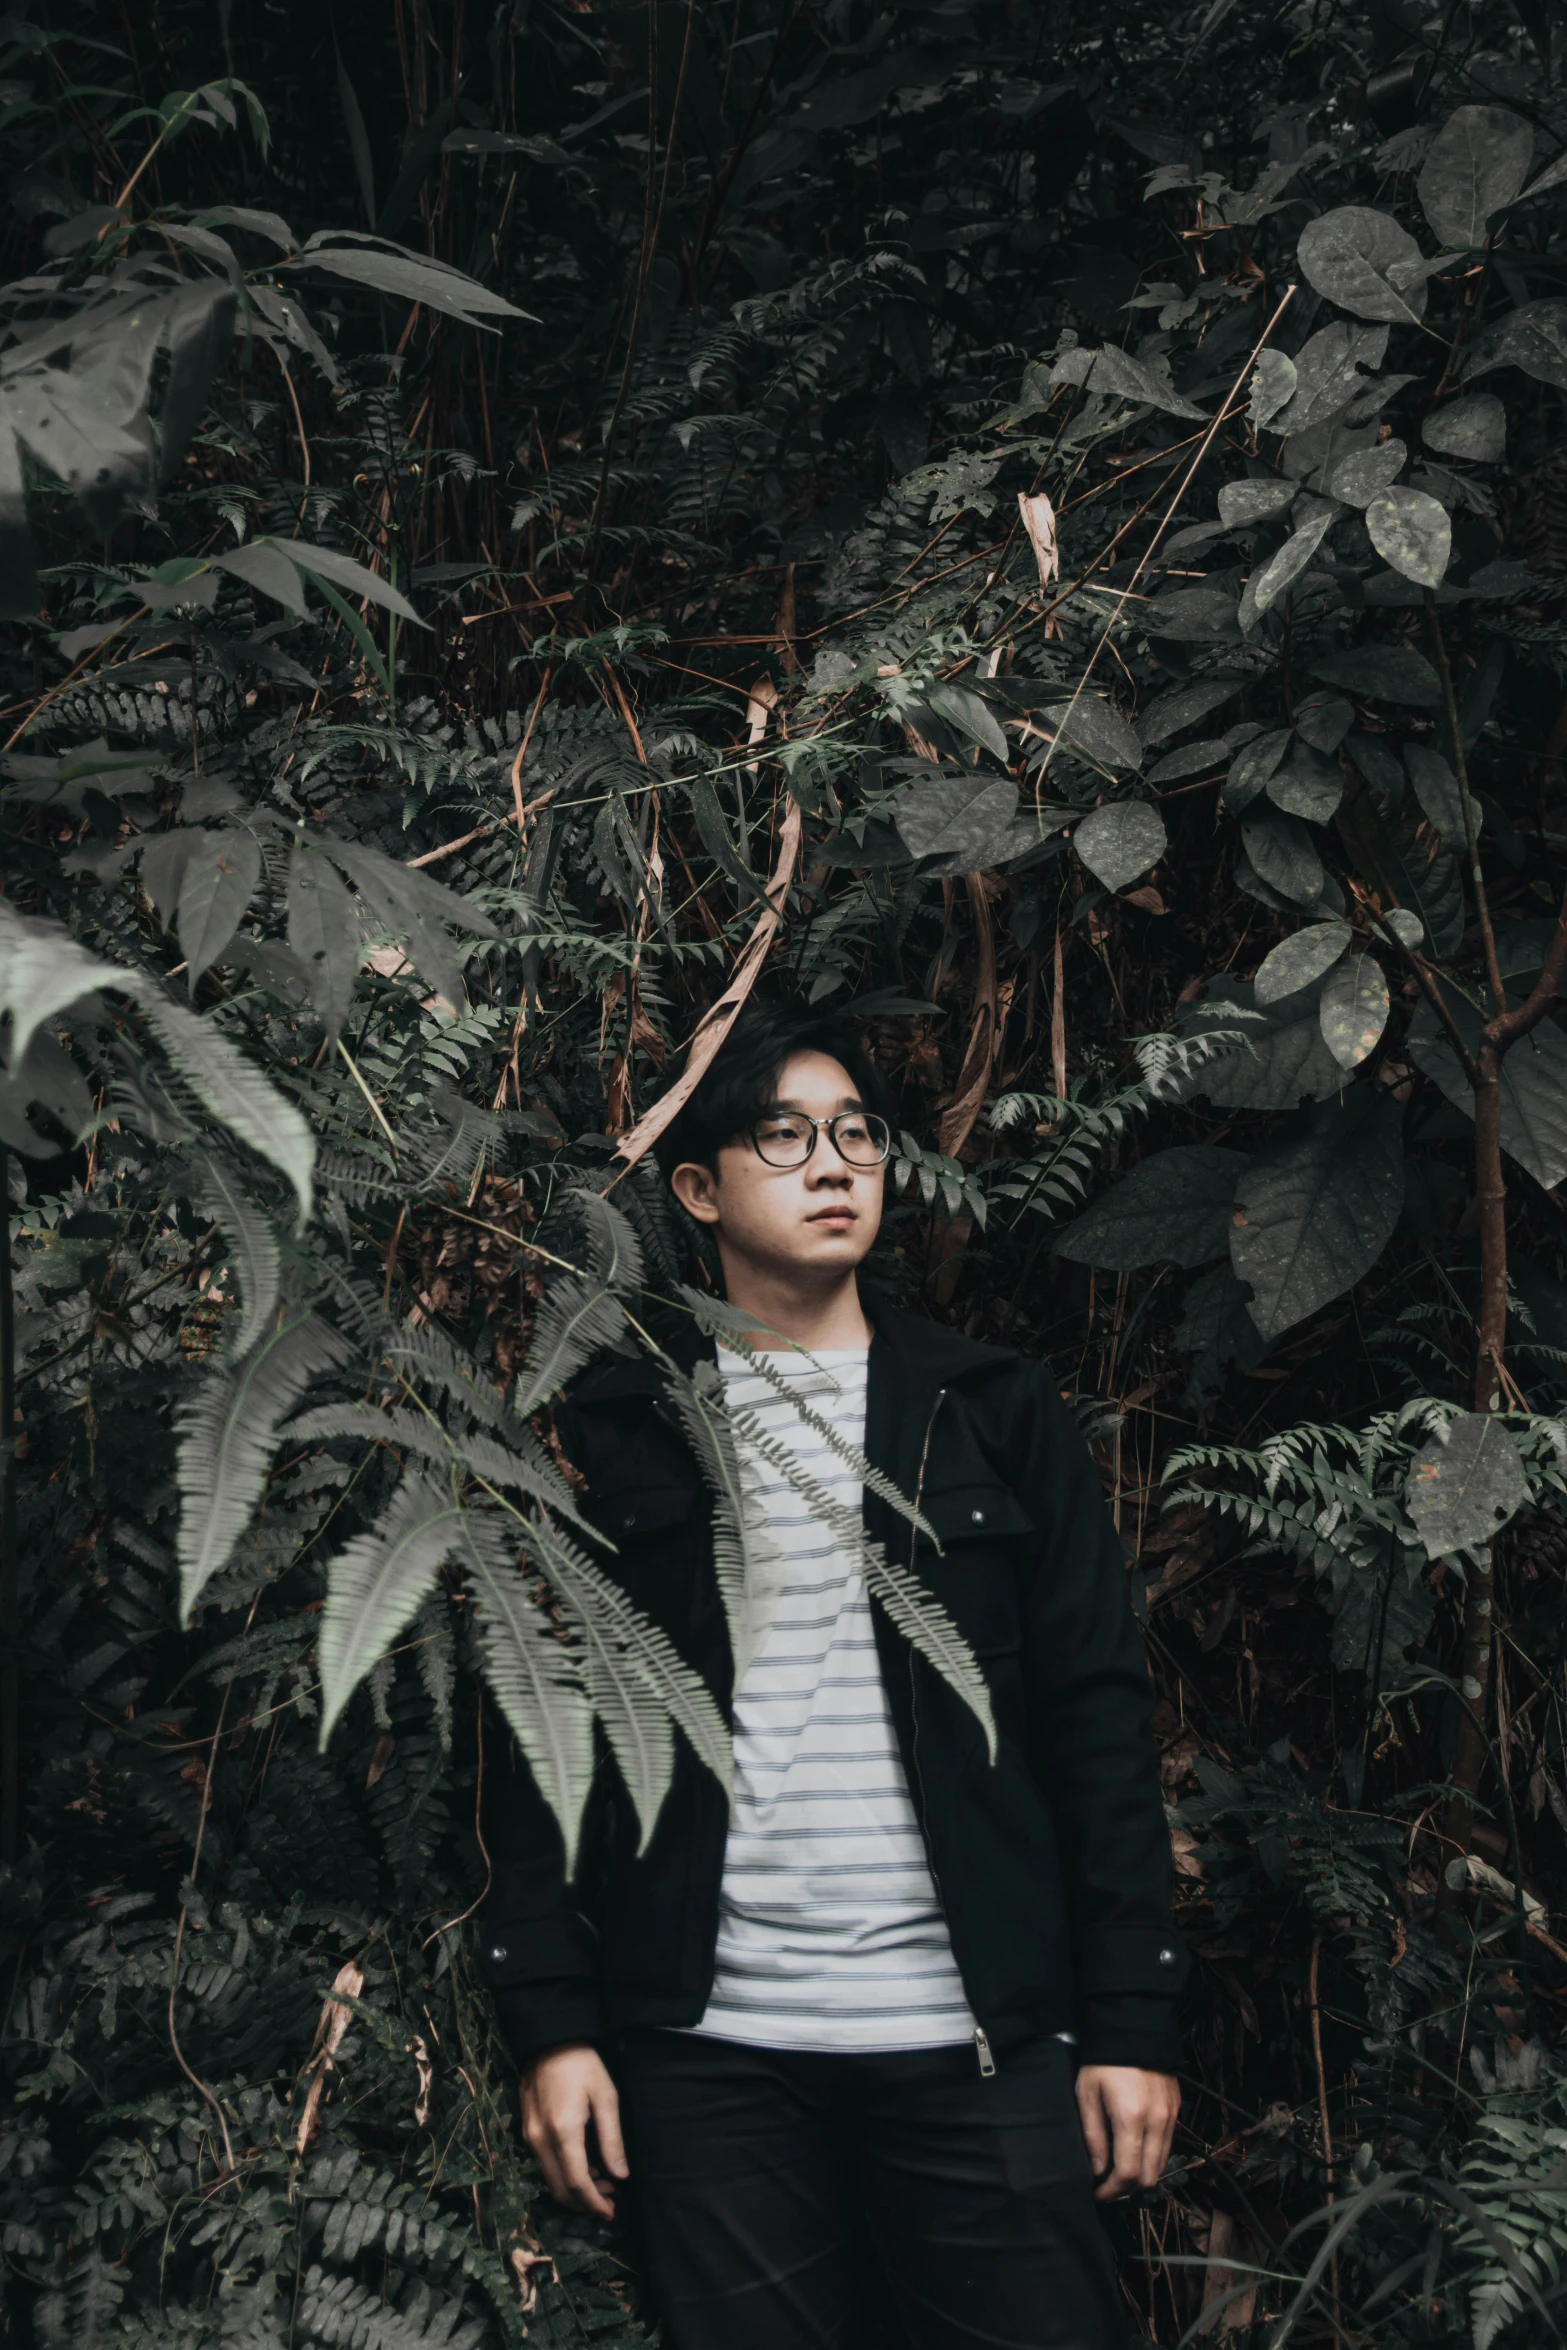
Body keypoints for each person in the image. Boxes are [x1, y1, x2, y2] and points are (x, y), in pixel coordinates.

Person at [479, 997, 1186, 2349]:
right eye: (785, 1134)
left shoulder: (986, 1410)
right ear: (696, 1186)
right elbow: (538, 1724)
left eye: (856, 1132)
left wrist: (1131, 2016)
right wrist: (550, 2021)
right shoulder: (614, 1426)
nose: (832, 1162)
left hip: (979, 2039)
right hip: (708, 2057)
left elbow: (1097, 1719)